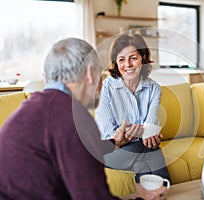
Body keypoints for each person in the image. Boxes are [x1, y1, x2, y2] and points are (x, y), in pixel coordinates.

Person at [0, 38, 167, 200]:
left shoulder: (36, 106)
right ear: (89, 73)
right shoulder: (70, 116)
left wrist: (115, 142)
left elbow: (80, 148)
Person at [95, 33, 170, 183]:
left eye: (133, 58)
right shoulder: (108, 87)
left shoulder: (154, 89)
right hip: (111, 154)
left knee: (144, 162)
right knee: (151, 149)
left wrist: (148, 135)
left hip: (136, 150)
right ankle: (166, 191)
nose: (127, 65)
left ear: (143, 58)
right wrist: (145, 135)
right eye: (121, 59)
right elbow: (110, 136)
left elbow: (149, 127)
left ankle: (154, 193)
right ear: (116, 63)